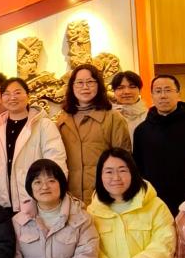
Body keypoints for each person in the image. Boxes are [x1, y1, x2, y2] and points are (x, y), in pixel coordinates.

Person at [133, 74, 185, 216]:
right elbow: (139, 170)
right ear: (152, 96)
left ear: (178, 94)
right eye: (158, 91)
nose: (163, 96)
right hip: (154, 201)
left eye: (168, 90)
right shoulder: (142, 130)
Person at [56, 64, 132, 204]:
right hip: (70, 199)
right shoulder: (62, 120)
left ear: (99, 85)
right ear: (72, 86)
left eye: (90, 82)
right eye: (79, 83)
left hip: (104, 197)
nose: (85, 87)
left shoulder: (113, 118)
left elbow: (123, 161)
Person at [0, 77, 66, 210]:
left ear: (28, 96)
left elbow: (56, 160)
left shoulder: (44, 125)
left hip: (36, 200)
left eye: (17, 92)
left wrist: (52, 195)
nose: (12, 97)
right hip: (3, 203)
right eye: (6, 94)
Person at [111, 71, 147, 143]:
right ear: (114, 92)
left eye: (132, 87)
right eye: (120, 88)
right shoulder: (108, 116)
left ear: (140, 90)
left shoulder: (149, 116)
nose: (127, 92)